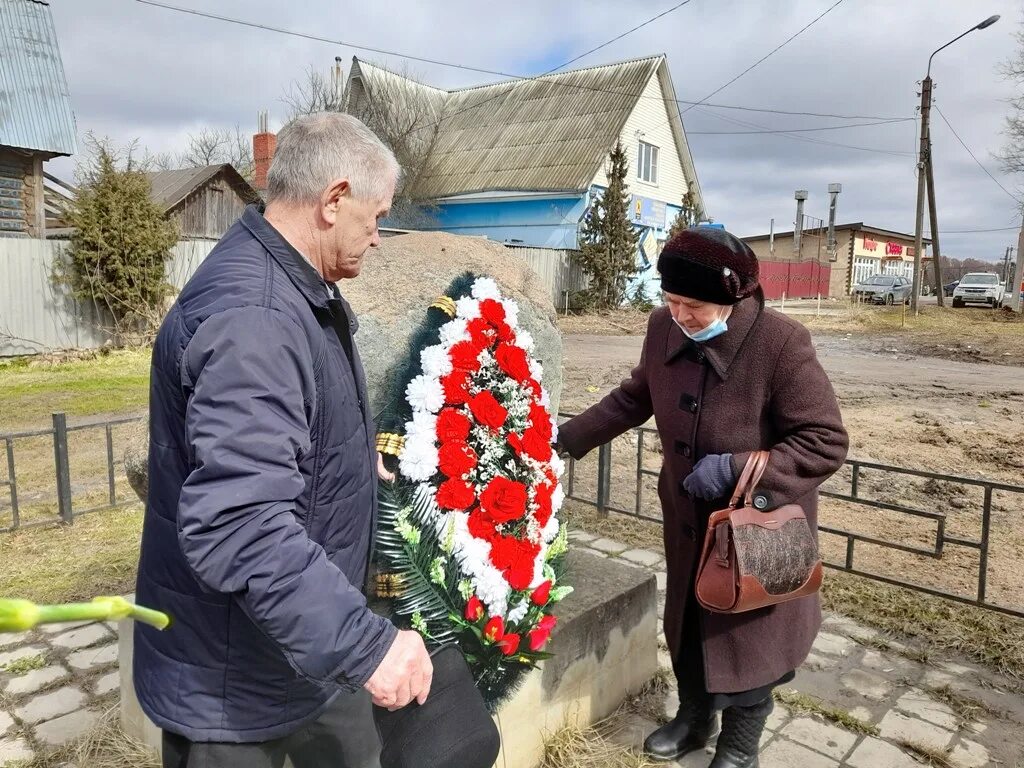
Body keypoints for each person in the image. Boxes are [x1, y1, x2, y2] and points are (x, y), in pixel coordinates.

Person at [135, 112, 433, 768]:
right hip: (234, 691)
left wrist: (352, 464)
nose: (378, 237)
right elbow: (240, 522)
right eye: (375, 215)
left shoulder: (293, 288)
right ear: (333, 201)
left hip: (301, 654)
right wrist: (367, 646)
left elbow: (280, 439)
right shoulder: (256, 320)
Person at [557, 227, 848, 767]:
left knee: (750, 636)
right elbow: (634, 397)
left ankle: (739, 749)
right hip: (689, 520)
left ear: (734, 297)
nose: (681, 315)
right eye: (671, 301)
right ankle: (694, 718)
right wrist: (565, 439)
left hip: (756, 525)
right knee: (690, 622)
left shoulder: (780, 343)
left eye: (694, 305)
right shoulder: (662, 328)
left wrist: (736, 469)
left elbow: (824, 441)